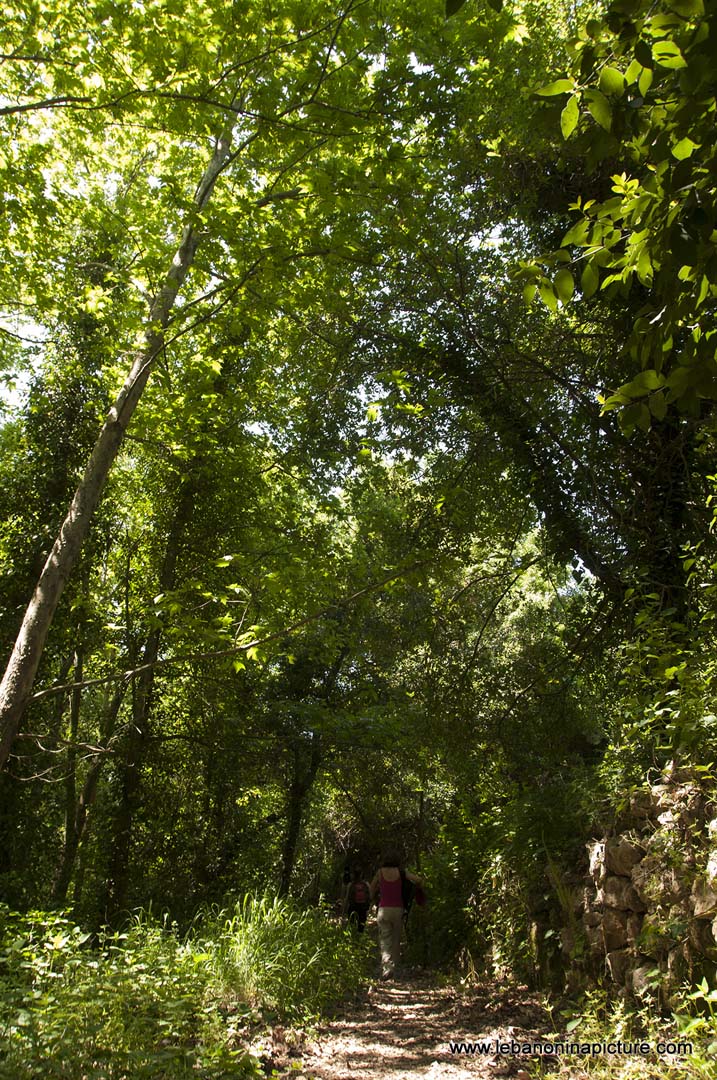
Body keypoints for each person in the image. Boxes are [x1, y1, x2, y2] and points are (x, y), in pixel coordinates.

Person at [369, 849, 423, 979]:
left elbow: (371, 889)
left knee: (385, 939)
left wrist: (373, 900)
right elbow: (419, 880)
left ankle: (387, 968)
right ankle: (394, 968)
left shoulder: (380, 873)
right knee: (396, 939)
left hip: (384, 909)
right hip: (398, 909)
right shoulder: (402, 873)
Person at [343, 867, 371, 932]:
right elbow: (370, 896)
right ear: (361, 874)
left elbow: (347, 897)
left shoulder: (351, 884)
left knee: (352, 924)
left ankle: (352, 938)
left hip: (353, 906)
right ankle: (359, 939)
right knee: (361, 925)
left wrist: (344, 910)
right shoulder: (366, 884)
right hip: (363, 907)